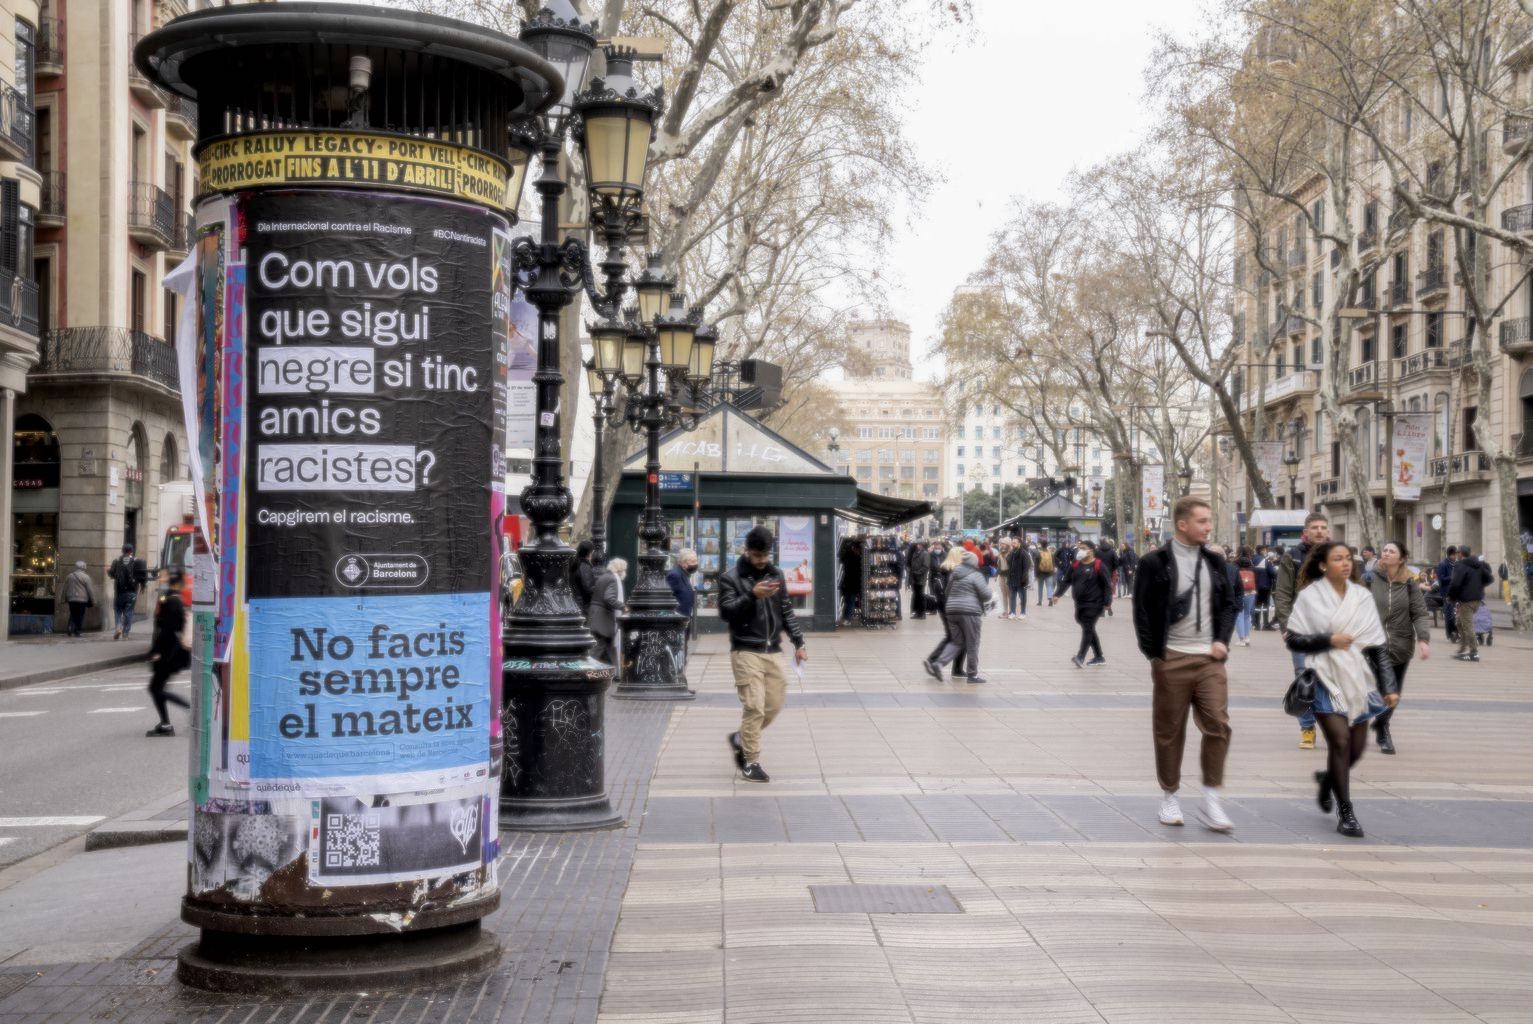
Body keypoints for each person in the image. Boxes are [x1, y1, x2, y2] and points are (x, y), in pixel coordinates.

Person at [1132, 496, 1236, 832]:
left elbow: (1228, 605)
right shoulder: (1154, 562)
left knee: (1218, 724)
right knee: (1169, 729)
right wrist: (1155, 656)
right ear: (1182, 524)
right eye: (1203, 521)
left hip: (1209, 658)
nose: (1209, 527)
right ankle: (1170, 795)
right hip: (1172, 657)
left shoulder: (1216, 562)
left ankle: (1211, 798)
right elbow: (1142, 611)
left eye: (1209, 521)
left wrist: (1222, 639)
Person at [1284, 541, 1400, 838]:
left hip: (1358, 680)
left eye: (1349, 558)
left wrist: (1388, 686)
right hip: (1324, 678)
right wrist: (1328, 640)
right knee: (1339, 742)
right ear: (1323, 565)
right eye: (1338, 559)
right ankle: (1346, 811)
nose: (1346, 563)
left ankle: (1328, 781)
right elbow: (1294, 640)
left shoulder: (1362, 597)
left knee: (1357, 748)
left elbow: (1377, 647)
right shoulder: (1309, 597)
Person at [719, 526, 806, 783]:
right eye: (757, 555)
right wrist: (751, 595)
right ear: (747, 551)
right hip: (746, 649)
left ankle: (740, 738)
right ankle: (751, 761)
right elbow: (726, 612)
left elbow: (786, 610)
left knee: (774, 704)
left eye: (766, 555)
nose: (762, 560)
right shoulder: (731, 577)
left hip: (773, 650)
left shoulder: (776, 574)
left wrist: (799, 643)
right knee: (754, 706)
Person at [1364, 541, 1430, 755]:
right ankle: (1383, 730)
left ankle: (1381, 722)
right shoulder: (1369, 579)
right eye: (1384, 550)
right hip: (1374, 644)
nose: (1386, 553)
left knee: (1395, 691)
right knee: (1386, 688)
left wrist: (1423, 639)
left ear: (1401, 558)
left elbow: (1419, 613)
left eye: (1392, 551)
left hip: (1401, 644)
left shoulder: (1410, 583)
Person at [1274, 512, 1331, 749]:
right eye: (1314, 527)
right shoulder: (1293, 557)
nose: (1319, 531)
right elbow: (1283, 594)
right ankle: (1307, 728)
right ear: (1305, 532)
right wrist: (1287, 626)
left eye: (1323, 527)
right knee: (1304, 677)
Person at [923, 549, 990, 684]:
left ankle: (939, 663)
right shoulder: (976, 575)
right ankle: (972, 675)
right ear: (974, 562)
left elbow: (947, 591)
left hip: (952, 611)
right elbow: (986, 595)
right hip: (970, 612)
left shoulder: (955, 574)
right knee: (972, 643)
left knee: (956, 642)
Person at [145, 568, 192, 737]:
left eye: (164, 576)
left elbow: (167, 629)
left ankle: (186, 710)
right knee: (156, 688)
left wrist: (155, 651)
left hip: (168, 653)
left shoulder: (172, 601)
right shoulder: (172, 598)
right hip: (170, 651)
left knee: (155, 688)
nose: (160, 578)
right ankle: (165, 723)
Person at [1066, 540, 1112, 668]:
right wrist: (1057, 594)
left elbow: (1108, 585)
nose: (1080, 550)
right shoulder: (1076, 565)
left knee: (1087, 628)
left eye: (1083, 548)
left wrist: (1107, 602)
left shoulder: (1099, 565)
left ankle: (1080, 656)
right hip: (1080, 603)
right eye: (1079, 548)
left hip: (1095, 603)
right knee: (1089, 628)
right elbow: (1067, 580)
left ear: (1091, 550)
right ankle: (1099, 656)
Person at [1447, 544, 1494, 662]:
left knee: (1467, 626)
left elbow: (1455, 583)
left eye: (1457, 552)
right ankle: (1462, 648)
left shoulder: (1460, 565)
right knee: (1459, 622)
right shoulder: (1478, 564)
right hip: (1477, 600)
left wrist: (1451, 597)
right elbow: (1489, 578)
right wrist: (1478, 587)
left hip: (1467, 600)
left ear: (1461, 554)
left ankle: (1474, 653)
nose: (1456, 554)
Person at [587, 557, 626, 667]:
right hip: (603, 618)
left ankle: (617, 672)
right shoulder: (613, 579)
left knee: (610, 645)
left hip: (596, 615)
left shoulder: (604, 576)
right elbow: (609, 598)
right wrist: (623, 607)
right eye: (623, 570)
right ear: (620, 570)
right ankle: (587, 669)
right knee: (600, 645)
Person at [108, 544, 143, 640]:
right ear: (131, 551)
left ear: (122, 551)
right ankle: (125, 634)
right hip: (132, 592)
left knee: (118, 610)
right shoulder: (136, 561)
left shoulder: (117, 561)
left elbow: (111, 573)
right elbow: (141, 575)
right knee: (129, 612)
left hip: (119, 591)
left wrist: (109, 571)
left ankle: (118, 627)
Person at [667, 548, 699, 642]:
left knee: (683, 647)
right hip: (677, 622)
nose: (696, 564)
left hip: (684, 619)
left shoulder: (684, 574)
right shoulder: (675, 575)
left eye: (696, 560)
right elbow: (668, 598)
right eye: (693, 561)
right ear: (683, 563)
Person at [62, 560, 96, 638]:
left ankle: (70, 627)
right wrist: (93, 600)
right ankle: (77, 631)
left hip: (71, 599)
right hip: (82, 600)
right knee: (80, 615)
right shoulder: (86, 577)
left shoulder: (69, 576)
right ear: (83, 567)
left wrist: (63, 599)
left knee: (73, 613)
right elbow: (90, 590)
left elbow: (65, 588)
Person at [1435, 546, 1459, 642]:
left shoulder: (1455, 564)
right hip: (1447, 593)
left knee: (1456, 613)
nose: (1456, 556)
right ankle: (1450, 633)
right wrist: (1452, 577)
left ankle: (1456, 632)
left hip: (1456, 592)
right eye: (1455, 554)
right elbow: (1441, 579)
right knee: (1449, 614)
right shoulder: (1443, 564)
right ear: (1450, 555)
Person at [1234, 551, 1257, 646]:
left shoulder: (1236, 571)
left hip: (1240, 594)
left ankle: (1241, 639)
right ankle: (1247, 637)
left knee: (1239, 614)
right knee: (1247, 615)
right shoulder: (1252, 571)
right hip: (1251, 593)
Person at [571, 540, 599, 619]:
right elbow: (588, 588)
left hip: (576, 604)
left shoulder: (575, 563)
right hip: (584, 606)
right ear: (589, 552)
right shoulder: (584, 566)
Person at [837, 537, 862, 625]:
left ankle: (847, 618)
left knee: (849, 601)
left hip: (848, 582)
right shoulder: (856, 558)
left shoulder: (847, 556)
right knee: (850, 601)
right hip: (853, 583)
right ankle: (847, 618)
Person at [1005, 539, 1031, 619]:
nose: (1013, 544)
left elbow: (1027, 567)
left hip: (1021, 579)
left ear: (1019, 543)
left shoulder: (1024, 554)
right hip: (1012, 578)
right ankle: (1012, 612)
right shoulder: (1011, 553)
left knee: (1022, 596)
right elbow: (1008, 564)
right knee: (1012, 596)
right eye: (1012, 543)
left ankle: (1023, 612)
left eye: (1015, 543)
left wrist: (1024, 579)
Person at [907, 541, 929, 619]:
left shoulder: (925, 554)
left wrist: (918, 573)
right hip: (914, 577)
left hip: (920, 578)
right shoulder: (915, 553)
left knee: (920, 595)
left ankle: (922, 613)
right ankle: (917, 612)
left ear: (922, 546)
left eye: (919, 544)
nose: (918, 546)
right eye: (917, 544)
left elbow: (925, 566)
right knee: (916, 595)